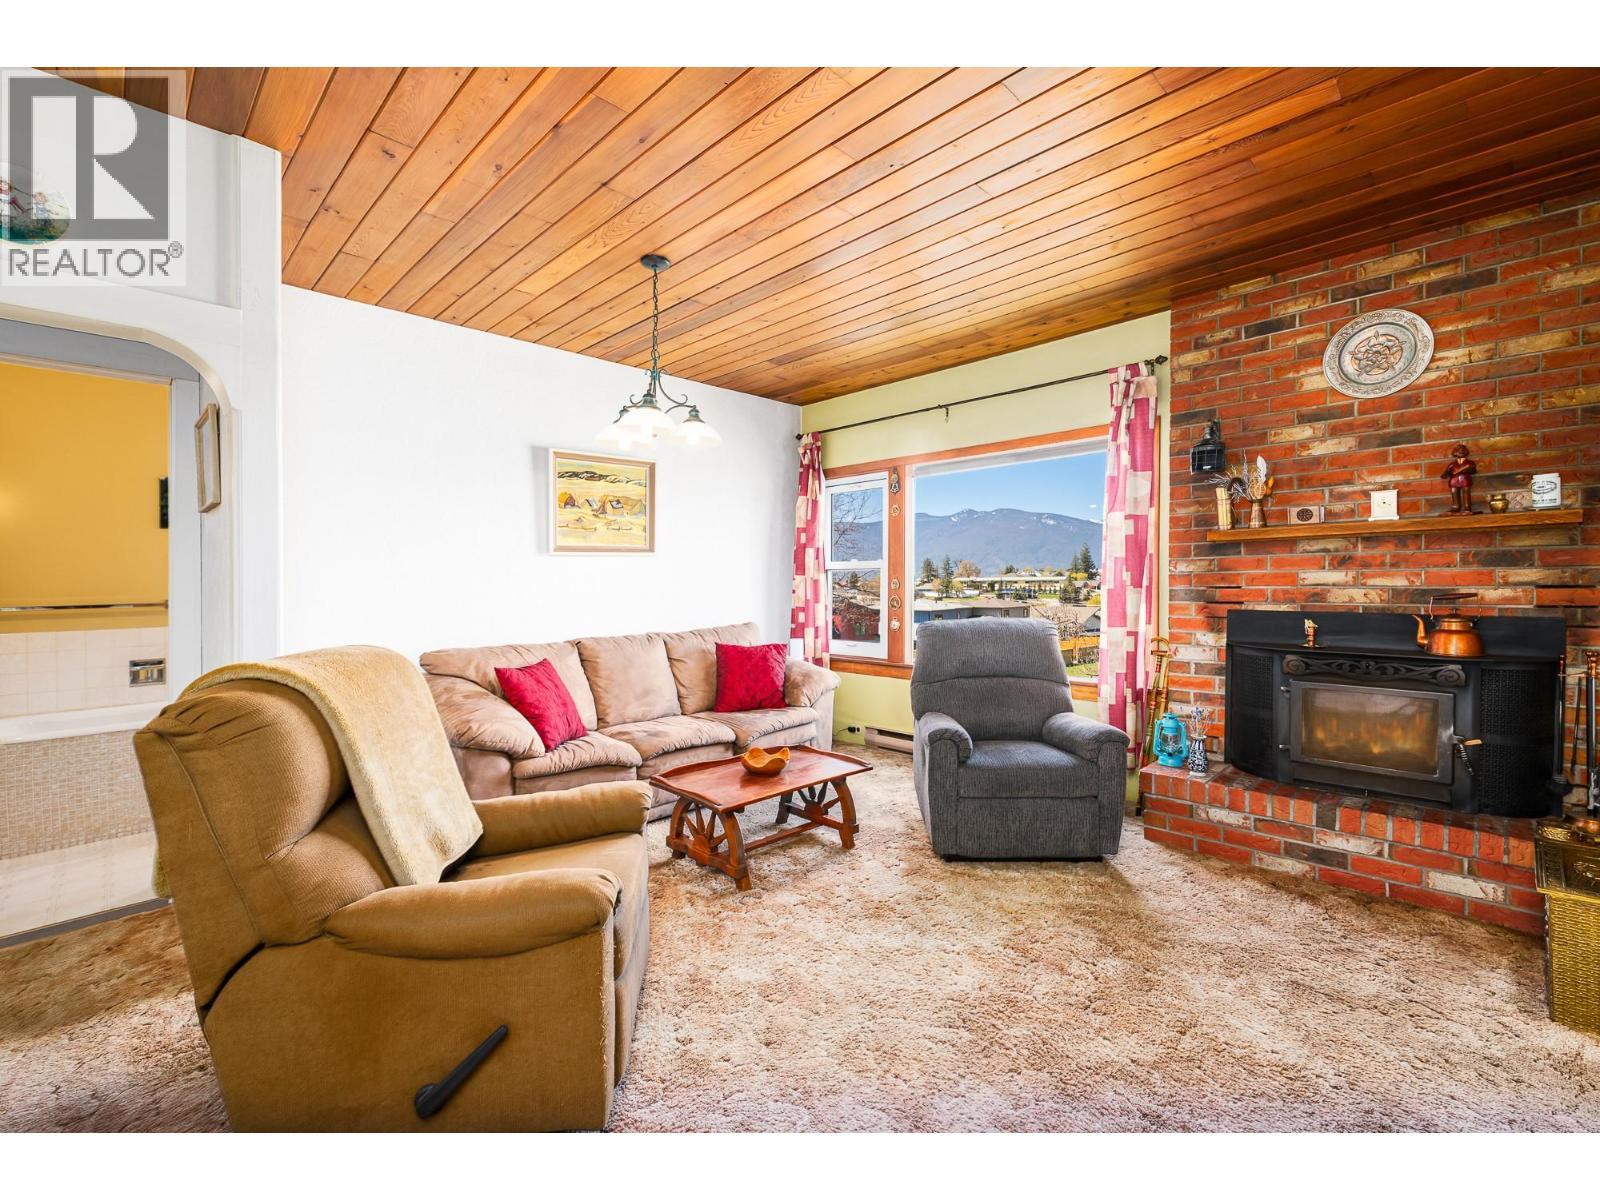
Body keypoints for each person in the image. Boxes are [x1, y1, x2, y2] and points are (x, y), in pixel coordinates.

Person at [1440, 443, 1477, 514]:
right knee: (1454, 494)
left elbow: (1474, 471)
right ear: (1455, 453)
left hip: (1465, 480)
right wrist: (1445, 475)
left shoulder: (1470, 463)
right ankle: (1456, 507)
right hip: (1454, 481)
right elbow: (1447, 472)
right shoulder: (1452, 464)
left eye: (1462, 450)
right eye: (1458, 451)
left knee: (1466, 493)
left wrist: (1467, 470)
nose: (1460, 452)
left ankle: (1467, 507)